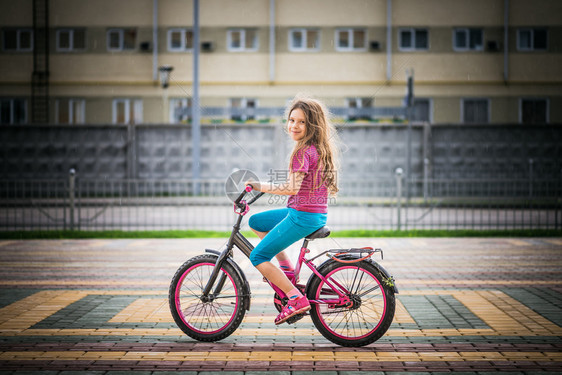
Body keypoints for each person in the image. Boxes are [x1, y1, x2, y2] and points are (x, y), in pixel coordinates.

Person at [245, 94, 339, 325]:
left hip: (302, 217)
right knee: (256, 222)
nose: (294, 126)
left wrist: (259, 186)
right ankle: (286, 272)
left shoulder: (302, 152)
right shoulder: (317, 149)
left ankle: (295, 298)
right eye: (291, 120)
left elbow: (291, 188)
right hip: (311, 214)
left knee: (257, 256)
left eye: (302, 122)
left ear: (312, 125)